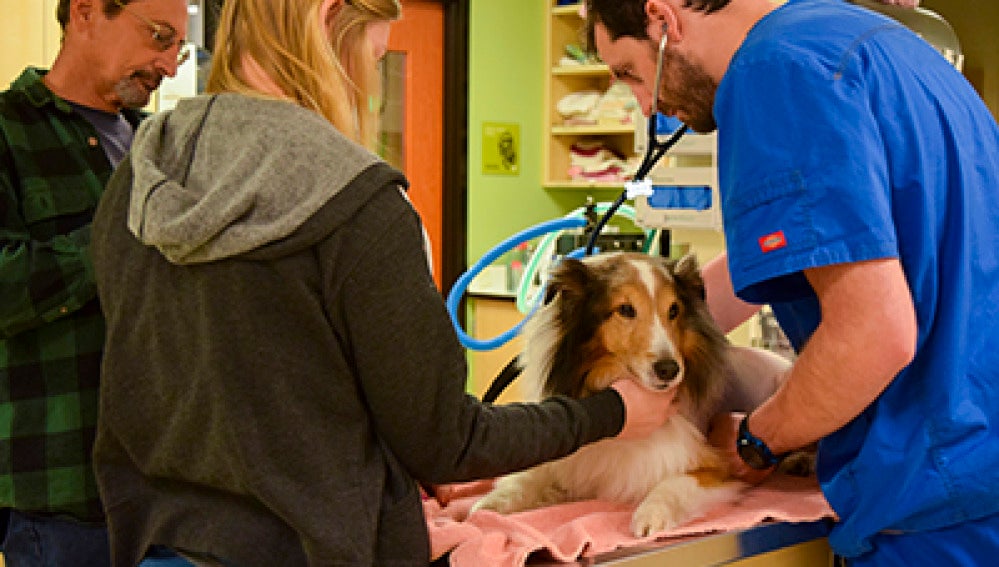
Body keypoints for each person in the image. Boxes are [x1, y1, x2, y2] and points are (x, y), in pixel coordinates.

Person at [88, 0, 678, 565]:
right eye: (375, 58)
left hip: (156, 545)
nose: (372, 87)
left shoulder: (138, 182)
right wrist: (609, 414)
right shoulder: (358, 205)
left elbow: (254, 398)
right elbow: (449, 443)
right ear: (328, 18)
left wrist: (398, 461)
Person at [585, 0, 999, 565]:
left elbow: (876, 331)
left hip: (936, 497)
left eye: (630, 72)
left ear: (663, 20)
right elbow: (826, 237)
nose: (645, 103)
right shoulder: (890, 49)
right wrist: (665, 316)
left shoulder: (771, 72)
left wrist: (757, 441)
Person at [0, 0, 188, 565]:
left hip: (173, 488)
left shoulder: (162, 146)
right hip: (65, 497)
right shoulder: (9, 132)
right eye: (158, 37)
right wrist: (120, 240)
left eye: (178, 46)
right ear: (85, 12)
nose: (170, 64)